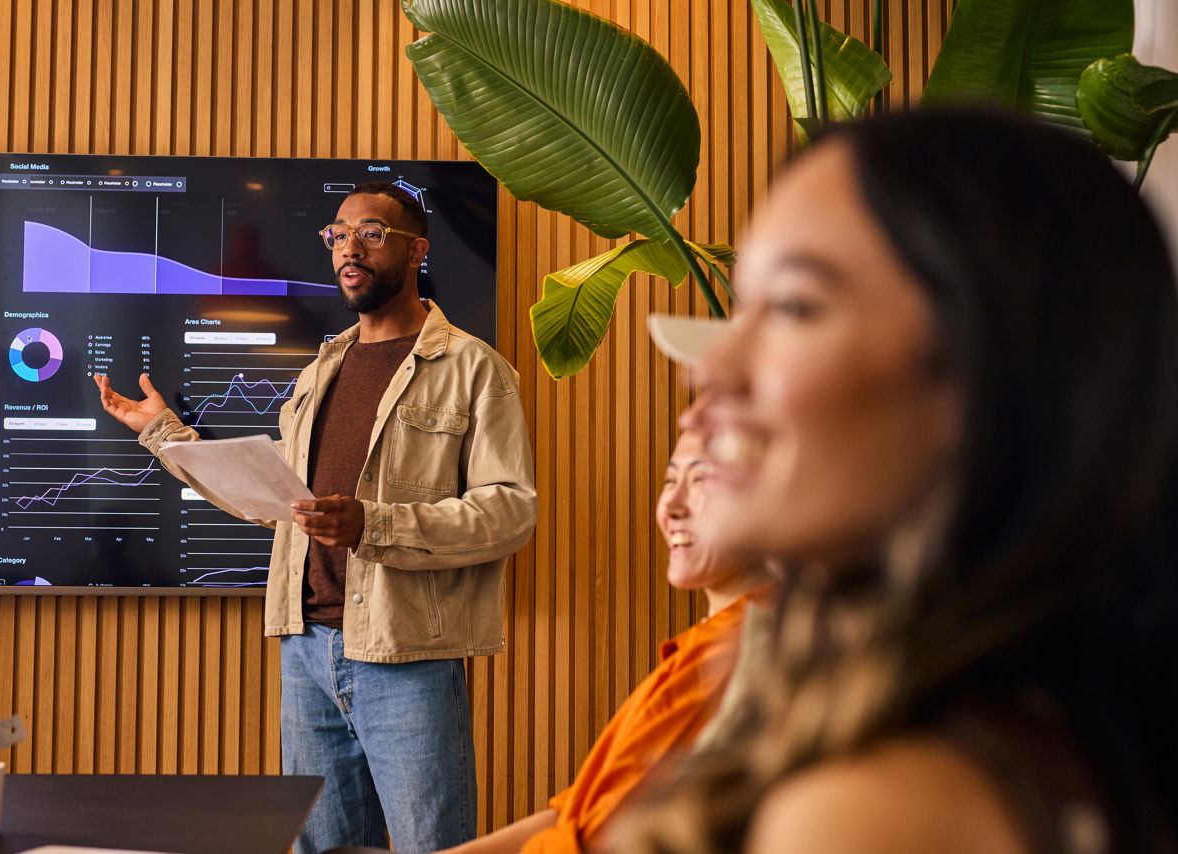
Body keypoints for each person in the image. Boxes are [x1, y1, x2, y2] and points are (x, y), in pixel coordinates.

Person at [630, 109, 1178, 853]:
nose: (711, 367)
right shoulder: (1059, 725)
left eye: (793, 306)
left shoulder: (868, 813)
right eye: (741, 308)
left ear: (981, 370)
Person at [94, 181, 538, 854]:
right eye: (337, 233)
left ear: (416, 250)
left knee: (431, 846)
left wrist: (373, 525)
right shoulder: (321, 368)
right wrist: (164, 433)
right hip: (305, 651)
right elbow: (271, 500)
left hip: (406, 657)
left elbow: (511, 513)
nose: (348, 247)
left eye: (371, 232)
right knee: (322, 847)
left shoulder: (474, 368)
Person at [440, 431, 775, 854]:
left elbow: (597, 839)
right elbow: (575, 813)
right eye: (670, 480)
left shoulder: (734, 660)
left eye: (702, 480)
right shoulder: (709, 645)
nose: (672, 506)